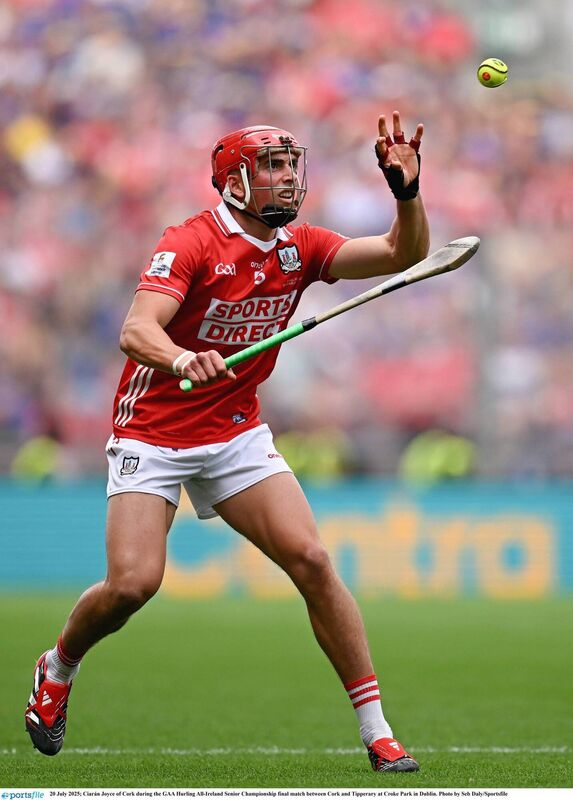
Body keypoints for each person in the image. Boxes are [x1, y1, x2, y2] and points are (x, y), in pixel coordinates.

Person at [25, 111, 429, 773]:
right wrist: (182, 359)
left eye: (290, 165)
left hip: (234, 429)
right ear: (233, 181)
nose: (287, 178)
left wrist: (405, 194)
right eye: (271, 166)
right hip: (152, 431)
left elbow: (402, 256)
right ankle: (58, 666)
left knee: (311, 559)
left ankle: (377, 731)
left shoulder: (303, 247)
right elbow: (137, 330)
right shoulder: (189, 242)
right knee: (132, 585)